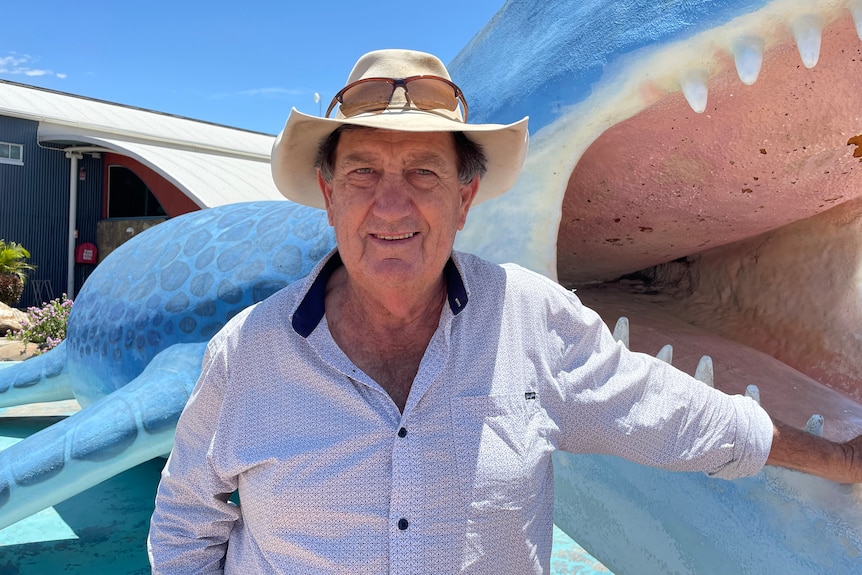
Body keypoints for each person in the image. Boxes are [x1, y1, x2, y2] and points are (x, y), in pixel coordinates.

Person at [148, 48, 862, 574]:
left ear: (464, 198)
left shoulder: (531, 319)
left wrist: (836, 457)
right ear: (329, 194)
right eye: (364, 170)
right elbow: (185, 520)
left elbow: (678, 414)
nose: (390, 204)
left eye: (424, 172)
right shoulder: (248, 351)